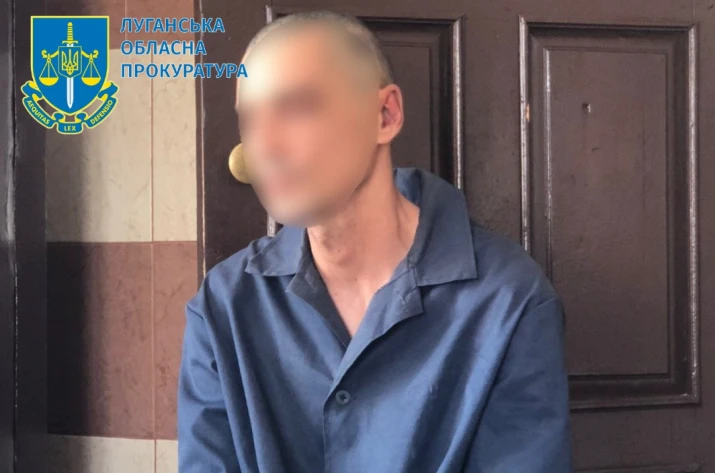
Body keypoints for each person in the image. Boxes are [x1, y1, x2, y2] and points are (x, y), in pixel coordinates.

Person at [178, 10, 573, 473]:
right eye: (250, 120)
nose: (265, 146)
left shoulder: (509, 299)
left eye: (297, 108)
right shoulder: (223, 305)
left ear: (385, 115)